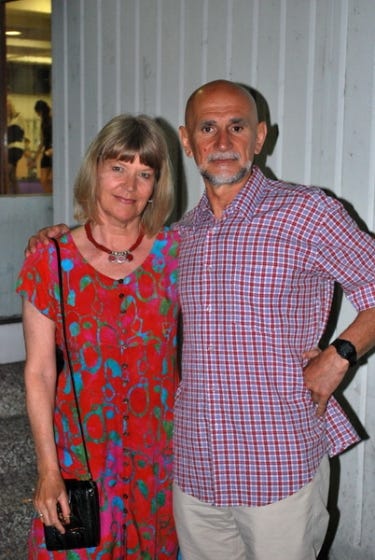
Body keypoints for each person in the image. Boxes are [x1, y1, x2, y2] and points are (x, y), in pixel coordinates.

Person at [26, 80, 375, 560]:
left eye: (238, 127)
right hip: (190, 469)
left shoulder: (306, 212)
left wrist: (341, 355)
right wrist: (62, 237)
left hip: (277, 460)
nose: (223, 142)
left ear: (260, 137)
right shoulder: (178, 239)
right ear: (188, 142)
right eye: (208, 128)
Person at [17, 114, 180, 559]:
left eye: (145, 173)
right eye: (118, 167)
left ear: (156, 186)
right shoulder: (50, 259)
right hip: (80, 453)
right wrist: (48, 469)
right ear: (95, 171)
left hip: (159, 460)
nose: (130, 184)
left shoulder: (177, 256)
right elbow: (38, 372)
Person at [7, 99, 25, 193]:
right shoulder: (8, 120)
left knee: (7, 173)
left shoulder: (18, 118)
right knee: (12, 175)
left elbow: (23, 133)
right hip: (10, 148)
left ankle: (8, 195)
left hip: (16, 148)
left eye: (9, 106)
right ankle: (17, 194)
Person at [34, 99, 53, 193]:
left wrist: (53, 150)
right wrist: (35, 157)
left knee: (50, 180)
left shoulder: (52, 120)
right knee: (43, 180)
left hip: (53, 151)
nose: (38, 115)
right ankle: (50, 195)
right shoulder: (43, 123)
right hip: (46, 151)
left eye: (38, 113)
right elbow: (42, 141)